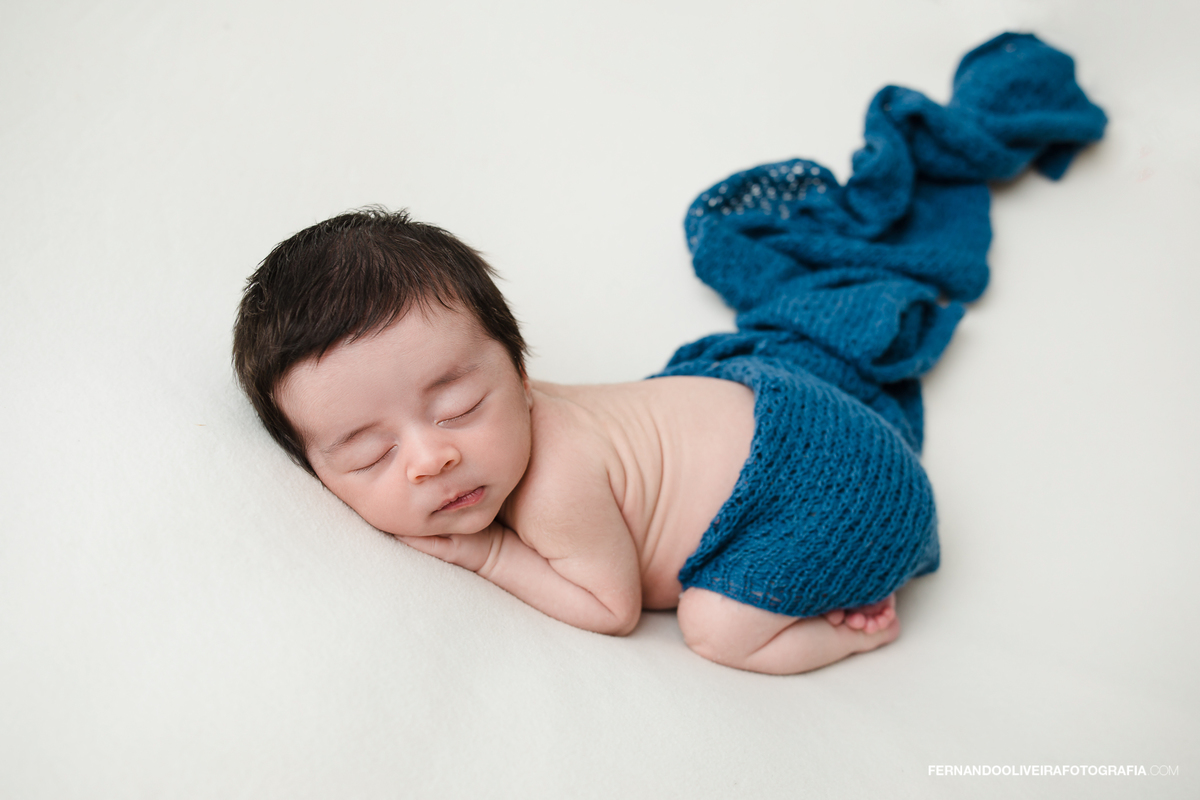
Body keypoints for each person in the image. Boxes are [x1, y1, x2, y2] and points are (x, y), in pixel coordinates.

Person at [233, 32, 1105, 674]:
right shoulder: (513, 430)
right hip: (789, 415)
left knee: (714, 628)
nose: (432, 456)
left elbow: (611, 609)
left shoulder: (554, 481)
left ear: (520, 372)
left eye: (460, 405)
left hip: (838, 495)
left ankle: (848, 622)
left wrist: (485, 554)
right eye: (369, 453)